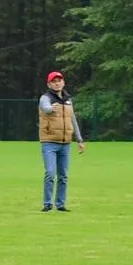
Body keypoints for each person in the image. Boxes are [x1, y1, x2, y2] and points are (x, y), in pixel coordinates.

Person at [38, 71, 84, 212]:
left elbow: (73, 120)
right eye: (54, 81)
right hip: (49, 142)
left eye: (59, 80)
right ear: (49, 84)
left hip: (65, 143)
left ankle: (60, 204)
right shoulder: (45, 98)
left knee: (63, 175)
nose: (57, 83)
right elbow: (45, 108)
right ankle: (47, 203)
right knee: (50, 173)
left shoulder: (68, 100)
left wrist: (79, 140)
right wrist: (51, 108)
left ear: (63, 83)